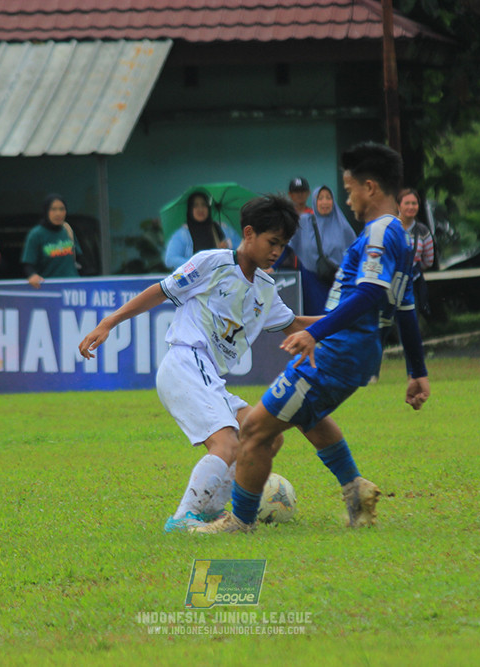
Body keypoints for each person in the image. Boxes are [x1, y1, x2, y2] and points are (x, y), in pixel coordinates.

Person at [194, 141, 430, 535]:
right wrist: (417, 370)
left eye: (350, 187)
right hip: (356, 350)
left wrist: (314, 334)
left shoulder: (379, 231)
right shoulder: (401, 238)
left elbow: (370, 293)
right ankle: (356, 491)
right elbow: (403, 307)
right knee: (307, 416)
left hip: (338, 350)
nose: (347, 197)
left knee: (253, 429)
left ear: (370, 188)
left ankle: (240, 521)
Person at [79, 195, 316, 532]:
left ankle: (208, 512)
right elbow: (161, 291)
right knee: (228, 443)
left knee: (266, 436)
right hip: (185, 362)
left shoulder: (265, 288)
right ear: (248, 233)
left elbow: (295, 324)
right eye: (272, 241)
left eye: (283, 244)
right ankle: (182, 518)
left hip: (208, 375)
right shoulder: (212, 263)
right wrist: (108, 323)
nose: (277, 251)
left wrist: (348, 317)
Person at [287, 185, 357, 315]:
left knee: (335, 319)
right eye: (320, 198)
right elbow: (288, 246)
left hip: (336, 283)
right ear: (314, 201)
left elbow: (355, 254)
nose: (325, 202)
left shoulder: (343, 226)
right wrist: (273, 267)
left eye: (328, 198)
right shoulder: (304, 222)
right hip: (311, 282)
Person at [163, 191, 241, 269]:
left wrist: (229, 245)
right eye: (195, 205)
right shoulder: (183, 234)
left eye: (204, 204)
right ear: (190, 209)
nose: (200, 209)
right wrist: (196, 264)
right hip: (196, 278)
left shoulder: (223, 228)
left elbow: (241, 249)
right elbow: (170, 259)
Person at [22, 193, 81, 287]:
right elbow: (28, 264)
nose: (58, 213)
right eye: (53, 209)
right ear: (46, 211)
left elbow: (79, 258)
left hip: (73, 287)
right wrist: (32, 276)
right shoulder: (36, 234)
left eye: (61, 209)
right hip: (50, 287)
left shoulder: (67, 229)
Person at [397, 188, 435, 319]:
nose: (411, 207)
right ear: (398, 205)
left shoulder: (423, 231)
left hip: (413, 283)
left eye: (414, 203)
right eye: (407, 203)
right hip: (390, 283)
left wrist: (415, 269)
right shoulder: (390, 228)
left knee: (412, 319)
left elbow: (428, 260)